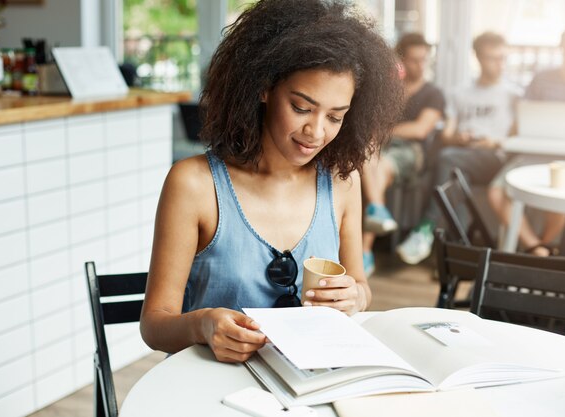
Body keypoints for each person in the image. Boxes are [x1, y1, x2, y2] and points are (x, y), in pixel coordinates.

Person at [140, 0, 403, 364]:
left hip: (307, 382)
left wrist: (354, 296)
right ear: (264, 87)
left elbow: (361, 285)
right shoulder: (194, 184)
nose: (316, 131)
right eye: (301, 108)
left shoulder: (342, 181)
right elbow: (154, 325)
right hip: (214, 389)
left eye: (336, 116)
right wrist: (203, 325)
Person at [396, 32, 522, 264]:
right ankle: (457, 256)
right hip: (463, 155)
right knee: (456, 176)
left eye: (503, 58)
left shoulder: (514, 95)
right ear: (478, 57)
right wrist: (460, 139)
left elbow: (517, 137)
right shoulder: (459, 92)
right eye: (493, 58)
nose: (499, 64)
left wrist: (494, 142)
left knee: (447, 161)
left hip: (495, 158)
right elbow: (447, 135)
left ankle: (426, 227)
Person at [488, 23, 565, 256]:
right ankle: (539, 251)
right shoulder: (542, 79)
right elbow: (520, 121)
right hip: (532, 152)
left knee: (559, 200)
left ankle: (540, 249)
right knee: (497, 192)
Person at [360, 32, 445, 274]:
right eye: (414, 60)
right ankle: (375, 217)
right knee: (368, 164)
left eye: (423, 60)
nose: (420, 65)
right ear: (401, 60)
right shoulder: (389, 90)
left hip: (412, 153)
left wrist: (384, 131)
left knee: (375, 167)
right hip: (378, 151)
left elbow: (420, 130)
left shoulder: (433, 94)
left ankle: (366, 249)